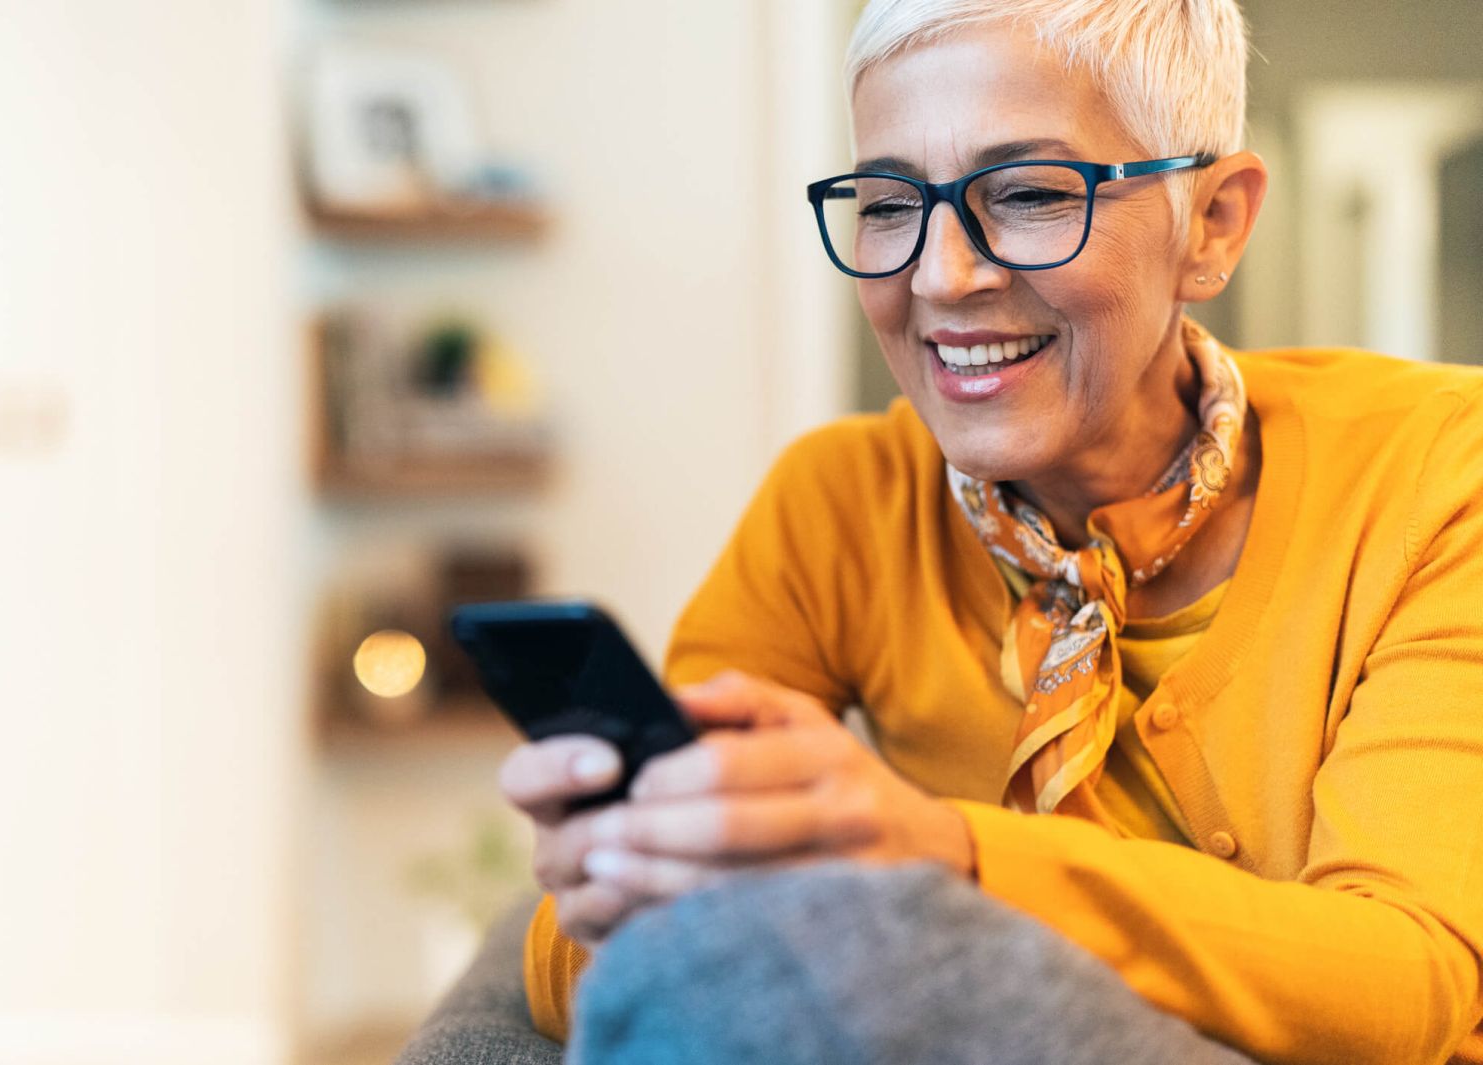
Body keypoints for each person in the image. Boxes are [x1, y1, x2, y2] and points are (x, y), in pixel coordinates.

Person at [496, 1, 1483, 1062]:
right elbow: (576, 954)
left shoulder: (1438, 470)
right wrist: (627, 880)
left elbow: (1410, 984)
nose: (938, 277)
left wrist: (944, 863)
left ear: (1213, 224)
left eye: (1023, 194)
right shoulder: (838, 504)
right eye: (886, 204)